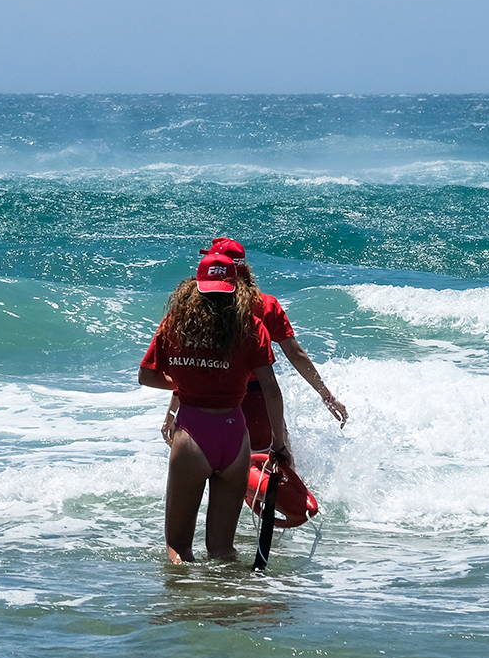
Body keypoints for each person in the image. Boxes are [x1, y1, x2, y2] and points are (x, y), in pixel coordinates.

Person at [162, 238, 348, 475]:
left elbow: (193, 368)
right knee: (278, 474)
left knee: (219, 477)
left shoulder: (199, 311)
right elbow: (296, 354)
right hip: (259, 401)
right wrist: (326, 395)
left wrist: (171, 413)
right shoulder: (266, 305)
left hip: (210, 402)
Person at [138, 252, 275, 561]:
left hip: (192, 435)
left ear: (194, 285)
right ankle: (226, 605)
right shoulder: (251, 327)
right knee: (223, 550)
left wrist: (184, 385)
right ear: (237, 288)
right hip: (235, 438)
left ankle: (188, 605)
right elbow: (271, 389)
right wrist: (279, 443)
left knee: (179, 547)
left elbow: (146, 375)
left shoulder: (175, 322)